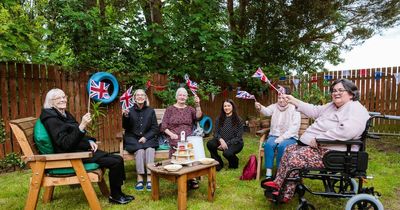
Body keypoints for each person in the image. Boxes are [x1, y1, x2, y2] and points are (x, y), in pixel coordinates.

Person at [263, 78, 370, 203]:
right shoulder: (333, 106)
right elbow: (314, 110)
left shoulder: (354, 109)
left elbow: (348, 131)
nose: (336, 93)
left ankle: (284, 194)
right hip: (324, 148)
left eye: (341, 90)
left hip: (334, 152)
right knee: (289, 150)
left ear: (351, 94)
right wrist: (293, 100)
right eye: (334, 90)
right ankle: (279, 183)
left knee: (295, 157)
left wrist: (319, 139)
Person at [40, 88, 133, 205]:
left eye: (64, 97)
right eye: (59, 98)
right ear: (51, 101)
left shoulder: (63, 114)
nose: (63, 100)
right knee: (115, 161)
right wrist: (82, 124)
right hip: (72, 156)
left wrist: (89, 140)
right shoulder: (51, 119)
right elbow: (65, 144)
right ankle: (115, 196)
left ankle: (118, 193)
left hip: (79, 150)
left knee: (118, 158)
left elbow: (74, 134)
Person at [160, 87, 202, 188]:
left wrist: (198, 104)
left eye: (184, 95)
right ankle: (183, 176)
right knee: (179, 144)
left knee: (189, 145)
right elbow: (163, 126)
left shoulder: (190, 109)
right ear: (176, 97)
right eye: (180, 95)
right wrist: (171, 134)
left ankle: (190, 176)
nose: (182, 97)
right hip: (174, 135)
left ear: (187, 97)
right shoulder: (170, 109)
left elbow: (198, 117)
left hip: (188, 136)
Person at [254, 87, 300, 178]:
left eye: (283, 97)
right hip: (274, 135)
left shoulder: (294, 109)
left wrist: (282, 138)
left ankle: (280, 172)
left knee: (282, 146)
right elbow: (266, 112)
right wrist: (260, 107)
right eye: (279, 98)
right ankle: (269, 173)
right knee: (268, 145)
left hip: (289, 137)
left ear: (288, 97)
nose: (281, 100)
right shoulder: (274, 106)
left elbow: (295, 127)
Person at [122, 89, 159, 191]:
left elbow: (155, 128)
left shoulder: (150, 111)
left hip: (148, 137)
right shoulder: (129, 110)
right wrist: (125, 116)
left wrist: (146, 137)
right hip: (133, 138)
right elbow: (125, 127)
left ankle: (150, 177)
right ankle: (140, 177)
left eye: (142, 95)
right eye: (138, 95)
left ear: (145, 97)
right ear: (134, 98)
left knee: (150, 149)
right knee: (140, 150)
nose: (140, 97)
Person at [207, 99, 244, 171]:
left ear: (232, 107)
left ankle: (235, 161)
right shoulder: (219, 119)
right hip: (222, 141)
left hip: (236, 143)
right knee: (210, 144)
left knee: (227, 153)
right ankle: (218, 163)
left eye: (228, 106)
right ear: (223, 108)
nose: (226, 108)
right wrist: (221, 140)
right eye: (225, 106)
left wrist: (226, 144)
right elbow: (216, 133)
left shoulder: (238, 120)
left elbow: (238, 137)